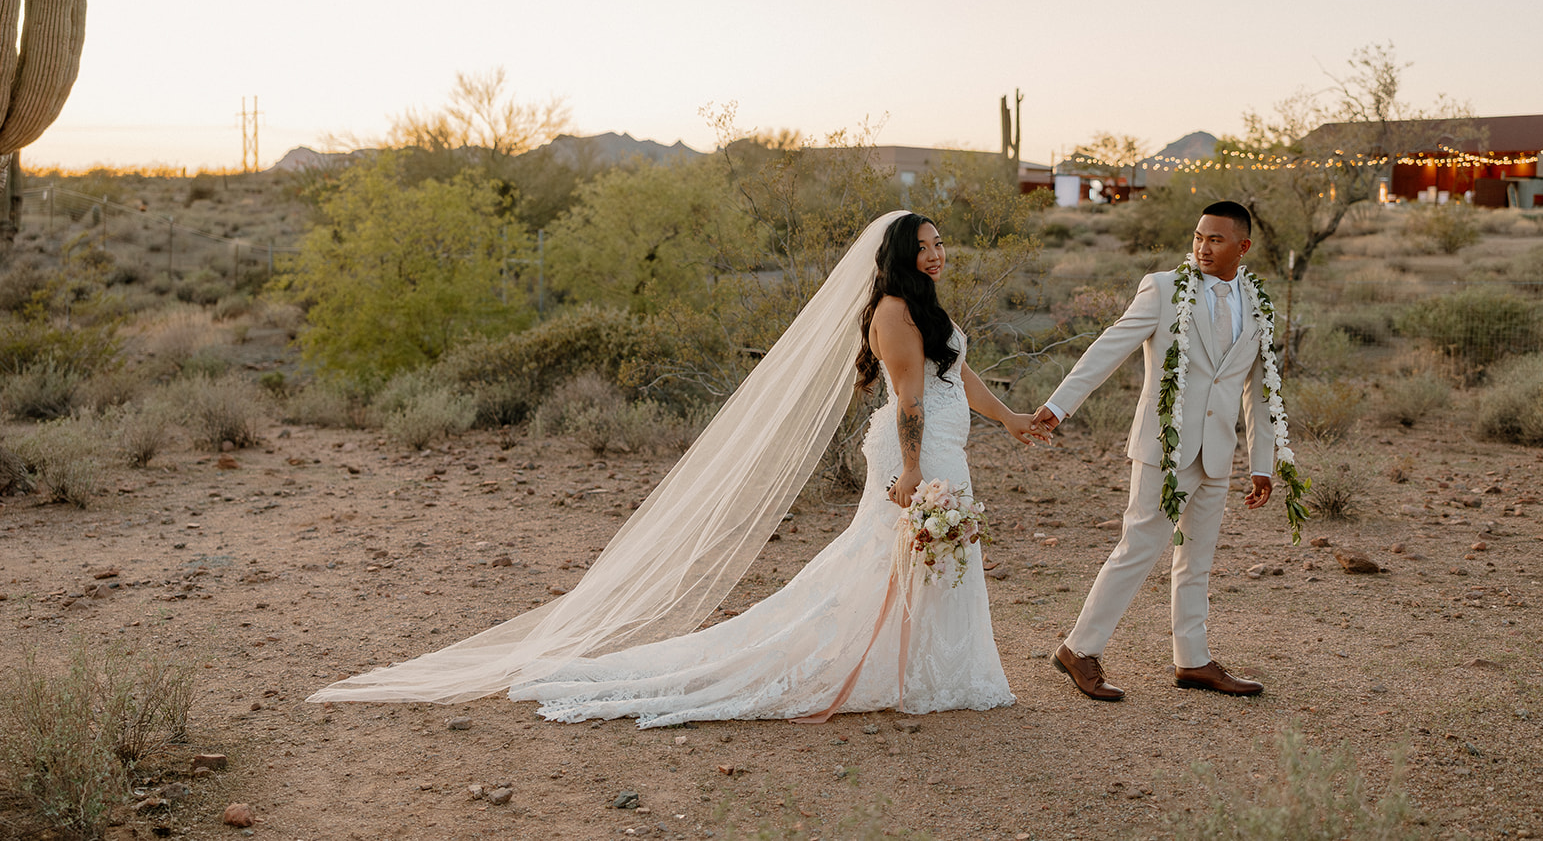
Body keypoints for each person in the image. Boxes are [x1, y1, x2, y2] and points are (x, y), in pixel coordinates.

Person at [310, 211, 1044, 725]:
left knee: (932, 559)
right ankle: (871, 667)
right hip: (916, 452)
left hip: (945, 447)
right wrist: (914, 468)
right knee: (881, 560)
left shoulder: (929, 307)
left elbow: (955, 377)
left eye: (941, 243)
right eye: (924, 244)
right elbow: (911, 397)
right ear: (897, 253)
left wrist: (1009, 417)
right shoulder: (892, 310)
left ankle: (940, 672)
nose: (937, 252)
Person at [1031, 201, 1276, 700]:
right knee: (1138, 549)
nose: (1203, 247)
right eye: (1198, 236)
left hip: (1217, 453)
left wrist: (1262, 464)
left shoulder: (1258, 303)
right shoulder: (1163, 289)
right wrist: (1060, 404)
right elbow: (1111, 344)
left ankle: (1193, 660)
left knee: (1197, 559)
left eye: (1216, 239)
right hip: (1164, 449)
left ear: (1243, 247)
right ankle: (1079, 648)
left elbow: (1260, 389)